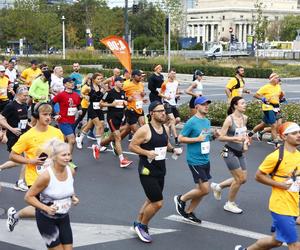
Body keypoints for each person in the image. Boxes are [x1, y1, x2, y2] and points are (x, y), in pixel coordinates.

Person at [235, 122, 300, 250]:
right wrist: (279, 184)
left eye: (299, 132)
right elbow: (258, 176)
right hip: (281, 207)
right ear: (284, 137)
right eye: (294, 133)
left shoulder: (298, 155)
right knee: (294, 244)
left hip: (293, 205)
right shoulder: (276, 156)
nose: (298, 135)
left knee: (276, 241)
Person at [6, 102, 64, 232]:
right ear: (37, 115)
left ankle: (15, 216)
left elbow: (61, 152)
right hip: (35, 178)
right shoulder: (28, 136)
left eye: (50, 114)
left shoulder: (57, 132)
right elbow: (13, 156)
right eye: (45, 114)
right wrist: (31, 160)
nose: (48, 117)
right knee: (46, 210)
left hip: (52, 176)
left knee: (45, 209)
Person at [129, 101, 182, 243]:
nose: (163, 113)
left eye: (164, 110)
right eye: (160, 111)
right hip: (147, 171)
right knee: (158, 203)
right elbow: (132, 146)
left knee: (151, 199)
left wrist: (173, 150)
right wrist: (146, 152)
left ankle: (137, 222)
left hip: (160, 170)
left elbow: (166, 144)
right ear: (152, 113)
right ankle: (143, 226)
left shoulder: (165, 128)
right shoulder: (145, 130)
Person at [24, 139, 79, 250]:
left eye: (69, 154)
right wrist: (46, 208)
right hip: (46, 219)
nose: (67, 157)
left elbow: (67, 188)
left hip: (64, 218)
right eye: (63, 155)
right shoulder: (46, 176)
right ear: (54, 157)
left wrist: (73, 197)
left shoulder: (71, 171)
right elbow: (28, 197)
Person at [174, 96, 218, 223]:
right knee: (204, 189)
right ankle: (181, 199)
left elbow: (206, 138)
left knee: (201, 190)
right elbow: (181, 138)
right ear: (197, 107)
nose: (206, 106)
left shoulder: (207, 121)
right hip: (195, 160)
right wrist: (196, 140)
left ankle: (188, 212)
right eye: (204, 104)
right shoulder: (191, 122)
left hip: (205, 159)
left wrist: (214, 136)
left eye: (207, 104)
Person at [210, 96, 250, 214]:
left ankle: (219, 186)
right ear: (235, 106)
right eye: (242, 103)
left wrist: (245, 143)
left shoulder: (245, 118)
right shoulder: (229, 119)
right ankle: (230, 203)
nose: (245, 105)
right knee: (239, 179)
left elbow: (244, 134)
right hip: (229, 152)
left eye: (245, 103)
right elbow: (221, 137)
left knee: (243, 179)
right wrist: (235, 138)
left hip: (240, 152)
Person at [0, 86, 29, 191]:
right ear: (18, 94)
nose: (26, 97)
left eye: (27, 95)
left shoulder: (25, 105)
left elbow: (24, 120)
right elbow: (1, 118)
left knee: (27, 159)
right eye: (24, 95)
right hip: (13, 137)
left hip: (24, 136)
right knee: (18, 161)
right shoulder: (11, 105)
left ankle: (20, 182)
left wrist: (32, 128)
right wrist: (11, 129)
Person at [100, 76, 133, 168]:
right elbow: (101, 104)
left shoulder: (123, 92)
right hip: (112, 118)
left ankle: (98, 146)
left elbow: (123, 102)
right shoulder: (109, 93)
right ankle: (122, 160)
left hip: (120, 118)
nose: (122, 84)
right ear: (115, 83)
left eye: (123, 82)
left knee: (111, 137)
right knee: (117, 138)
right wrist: (111, 104)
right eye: (121, 82)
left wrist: (126, 102)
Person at [76, 73, 106, 159]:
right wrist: (86, 97)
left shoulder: (101, 87)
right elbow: (81, 94)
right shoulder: (89, 88)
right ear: (93, 80)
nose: (100, 80)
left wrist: (104, 89)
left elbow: (104, 95)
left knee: (91, 125)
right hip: (92, 108)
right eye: (98, 79)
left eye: (101, 79)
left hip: (99, 108)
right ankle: (99, 145)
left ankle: (79, 139)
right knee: (99, 126)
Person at [248, 73, 283, 147]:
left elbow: (279, 95)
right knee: (274, 125)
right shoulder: (266, 87)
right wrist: (263, 98)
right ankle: (275, 142)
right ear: (272, 79)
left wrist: (281, 98)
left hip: (276, 107)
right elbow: (256, 95)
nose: (278, 79)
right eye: (276, 78)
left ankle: (250, 134)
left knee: (264, 124)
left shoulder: (278, 86)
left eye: (278, 78)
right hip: (268, 107)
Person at [52, 78, 81, 153]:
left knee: (65, 140)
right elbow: (51, 103)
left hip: (72, 120)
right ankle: (69, 161)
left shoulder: (76, 95)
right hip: (63, 121)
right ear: (65, 84)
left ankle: (56, 151)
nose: (72, 84)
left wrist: (80, 109)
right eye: (70, 82)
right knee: (72, 140)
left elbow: (78, 104)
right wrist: (54, 114)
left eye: (72, 82)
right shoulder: (61, 95)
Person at [159, 69, 181, 146]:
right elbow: (160, 94)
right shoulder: (165, 83)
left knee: (177, 120)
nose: (173, 75)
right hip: (167, 103)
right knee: (172, 119)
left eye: (174, 74)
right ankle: (176, 139)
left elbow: (176, 91)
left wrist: (177, 96)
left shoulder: (176, 82)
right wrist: (166, 96)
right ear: (168, 74)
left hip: (173, 103)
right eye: (172, 74)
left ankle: (165, 129)